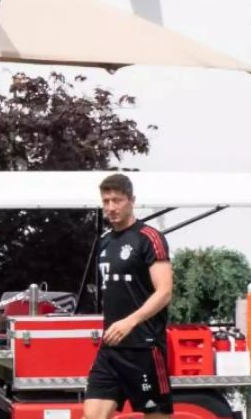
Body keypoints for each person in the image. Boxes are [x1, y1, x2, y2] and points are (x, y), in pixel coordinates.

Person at [83, 174, 174, 419]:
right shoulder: (104, 243)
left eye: (117, 200)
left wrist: (130, 321)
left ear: (132, 200)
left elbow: (164, 292)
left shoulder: (149, 238)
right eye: (106, 201)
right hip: (111, 349)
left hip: (144, 348)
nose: (111, 207)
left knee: (157, 415)